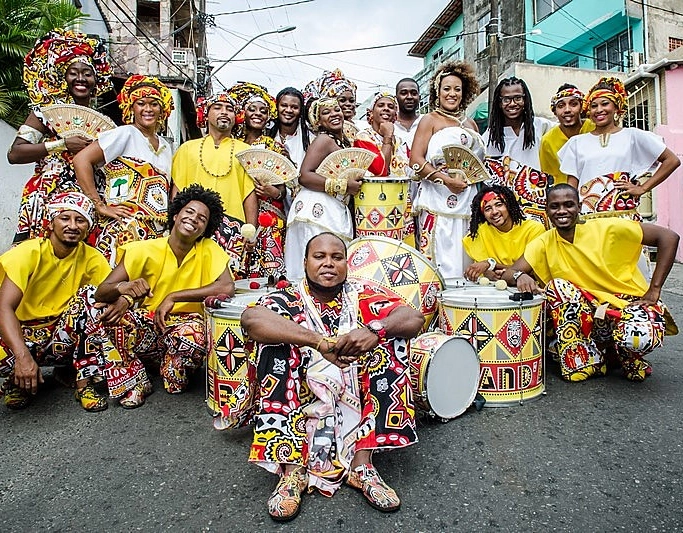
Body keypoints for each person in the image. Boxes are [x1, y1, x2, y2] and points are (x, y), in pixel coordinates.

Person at [235, 233, 424, 521]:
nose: (328, 264)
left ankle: (362, 465)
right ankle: (292, 469)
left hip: (352, 384)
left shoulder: (362, 294)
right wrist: (317, 342)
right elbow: (251, 320)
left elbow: (414, 319)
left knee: (388, 346)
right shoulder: (287, 297)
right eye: (319, 256)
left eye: (337, 257)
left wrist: (376, 330)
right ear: (305, 262)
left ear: (347, 264)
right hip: (301, 388)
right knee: (275, 350)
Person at [503, 184, 679, 382]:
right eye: (555, 206)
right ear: (547, 210)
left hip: (625, 306)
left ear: (579, 207)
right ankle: (588, 360)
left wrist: (654, 289)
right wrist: (520, 276)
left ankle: (626, 355)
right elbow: (510, 272)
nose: (562, 211)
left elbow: (668, 237)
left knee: (639, 336)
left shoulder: (608, 227)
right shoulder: (544, 241)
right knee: (557, 287)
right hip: (590, 314)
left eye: (568, 205)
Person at [89, 185, 234, 408]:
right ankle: (136, 381)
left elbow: (226, 287)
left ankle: (170, 367)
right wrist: (124, 288)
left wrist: (174, 297)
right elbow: (102, 290)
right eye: (189, 212)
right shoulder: (143, 249)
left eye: (202, 219)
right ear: (176, 215)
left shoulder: (209, 248)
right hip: (147, 323)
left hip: (183, 327)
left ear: (205, 229)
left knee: (188, 351)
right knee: (101, 311)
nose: (194, 219)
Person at [0, 193, 111, 411]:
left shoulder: (92, 257)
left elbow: (109, 294)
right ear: (51, 222)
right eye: (65, 218)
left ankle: (83, 383)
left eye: (80, 220)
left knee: (93, 298)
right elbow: (4, 307)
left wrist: (125, 295)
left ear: (87, 227)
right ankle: (17, 381)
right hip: (21, 334)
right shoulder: (26, 253)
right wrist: (22, 356)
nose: (73, 226)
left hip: (60, 336)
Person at [8, 29, 113, 243]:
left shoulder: (103, 123)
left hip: (89, 196)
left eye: (87, 73)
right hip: (47, 194)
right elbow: (15, 154)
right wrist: (63, 144)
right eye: (73, 72)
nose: (81, 78)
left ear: (96, 79)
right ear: (63, 77)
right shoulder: (45, 113)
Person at [73, 74, 174, 266]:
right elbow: (81, 160)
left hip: (157, 233)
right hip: (123, 228)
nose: (148, 109)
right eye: (141, 103)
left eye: (154, 104)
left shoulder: (166, 147)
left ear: (162, 109)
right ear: (131, 107)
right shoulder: (125, 133)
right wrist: (99, 204)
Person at [558, 77, 680, 217]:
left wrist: (642, 188)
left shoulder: (632, 135)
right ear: (588, 111)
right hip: (587, 215)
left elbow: (672, 160)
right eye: (594, 106)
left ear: (616, 107)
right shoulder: (576, 143)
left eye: (605, 104)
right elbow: (572, 184)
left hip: (623, 213)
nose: (599, 110)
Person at [409, 60, 483, 279]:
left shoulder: (471, 124)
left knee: (466, 252)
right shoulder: (429, 120)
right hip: (437, 198)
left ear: (465, 92)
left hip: (468, 197)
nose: (452, 94)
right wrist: (445, 180)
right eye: (447, 89)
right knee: (440, 254)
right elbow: (415, 159)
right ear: (437, 92)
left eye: (457, 89)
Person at [171, 92, 258, 274]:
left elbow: (249, 194)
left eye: (229, 109)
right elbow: (177, 190)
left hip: (234, 230)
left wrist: (251, 231)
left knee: (227, 285)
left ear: (237, 117)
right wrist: (174, 225)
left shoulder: (247, 152)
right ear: (206, 114)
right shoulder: (187, 148)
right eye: (217, 108)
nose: (224, 112)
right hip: (193, 225)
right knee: (189, 278)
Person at [284, 98, 361, 280]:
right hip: (316, 210)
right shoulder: (324, 140)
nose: (334, 114)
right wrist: (344, 186)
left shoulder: (343, 142)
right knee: (314, 265)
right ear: (318, 122)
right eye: (326, 112)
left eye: (337, 110)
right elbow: (304, 175)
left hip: (332, 207)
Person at [229, 82, 288, 279]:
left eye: (263, 111)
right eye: (252, 109)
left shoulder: (275, 147)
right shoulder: (231, 146)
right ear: (242, 113)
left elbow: (285, 185)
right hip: (237, 212)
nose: (258, 114)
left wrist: (274, 192)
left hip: (269, 218)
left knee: (270, 273)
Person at [462, 185, 545, 282]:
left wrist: (491, 265)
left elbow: (529, 270)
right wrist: (488, 272)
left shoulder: (534, 229)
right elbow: (484, 269)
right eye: (488, 209)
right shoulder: (479, 233)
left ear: (508, 205)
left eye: (499, 205)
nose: (494, 212)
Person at [483, 76, 554, 170]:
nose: (512, 104)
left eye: (517, 98)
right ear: (499, 103)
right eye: (506, 99)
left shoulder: (541, 126)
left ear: (525, 100)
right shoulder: (490, 136)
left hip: (536, 183)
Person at [539, 84, 595, 184]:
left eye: (573, 104)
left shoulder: (594, 128)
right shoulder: (547, 140)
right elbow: (548, 176)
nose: (567, 110)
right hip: (565, 195)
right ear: (554, 111)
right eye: (561, 106)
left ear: (582, 107)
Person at [304, 69, 359, 141]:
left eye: (351, 101)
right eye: (342, 100)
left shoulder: (355, 131)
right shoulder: (321, 138)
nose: (348, 104)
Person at [268, 87, 313, 171]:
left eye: (294, 107)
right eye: (284, 105)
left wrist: (290, 165)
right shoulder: (266, 134)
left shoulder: (310, 140)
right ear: (277, 107)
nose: (288, 110)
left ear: (300, 111)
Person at [394, 78, 422, 149]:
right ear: (396, 98)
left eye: (414, 93)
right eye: (404, 93)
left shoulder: (427, 122)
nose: (409, 97)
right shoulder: (389, 124)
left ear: (419, 97)